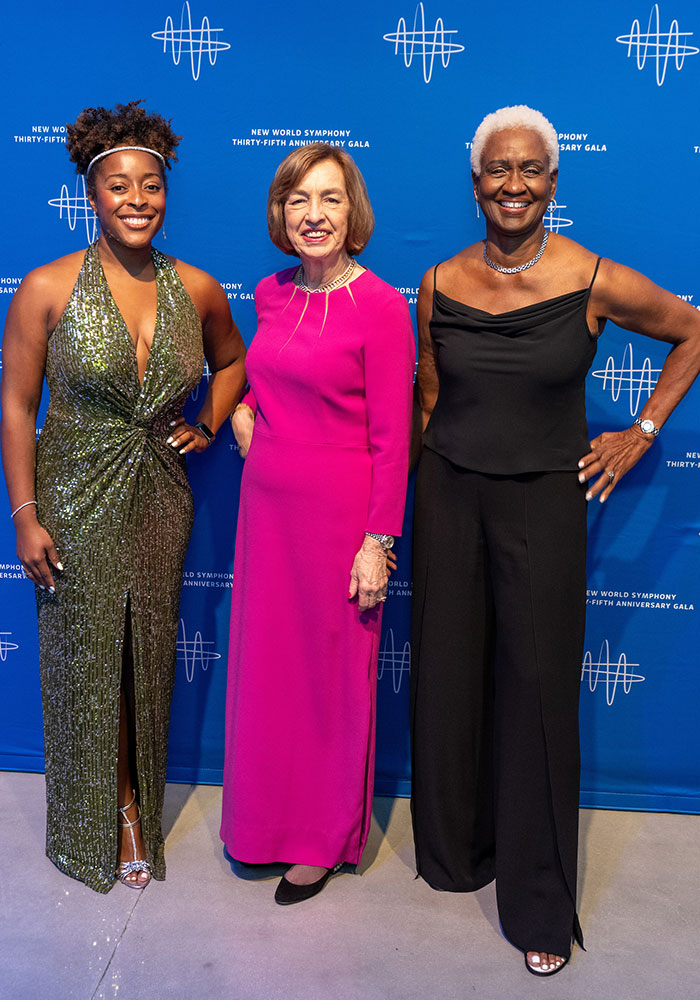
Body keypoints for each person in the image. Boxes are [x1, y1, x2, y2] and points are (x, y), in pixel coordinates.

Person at [410, 105, 700, 975]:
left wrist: (640, 429)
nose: (513, 184)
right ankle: (460, 855)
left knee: (535, 695)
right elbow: (429, 400)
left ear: (553, 181)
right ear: (475, 183)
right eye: (497, 169)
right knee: (450, 680)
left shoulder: (594, 277)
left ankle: (538, 905)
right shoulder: (436, 282)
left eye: (530, 169)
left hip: (544, 503)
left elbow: (692, 331)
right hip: (449, 498)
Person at [0, 101, 246, 892]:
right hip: (70, 497)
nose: (137, 199)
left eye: (151, 186)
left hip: (159, 499)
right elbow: (15, 406)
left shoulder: (198, 287)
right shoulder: (45, 287)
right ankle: (93, 815)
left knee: (144, 660)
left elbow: (234, 362)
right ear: (91, 194)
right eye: (119, 187)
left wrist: (206, 422)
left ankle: (133, 805)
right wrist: (25, 514)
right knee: (84, 662)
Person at [220, 143, 414, 904]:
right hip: (267, 516)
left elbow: (393, 440)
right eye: (299, 200)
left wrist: (378, 543)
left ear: (352, 211)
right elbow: (268, 379)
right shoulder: (270, 293)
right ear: (281, 212)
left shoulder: (381, 306)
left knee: (330, 682)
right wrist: (243, 412)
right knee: (270, 675)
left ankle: (323, 839)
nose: (314, 215)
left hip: (341, 522)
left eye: (329, 199)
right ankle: (264, 827)